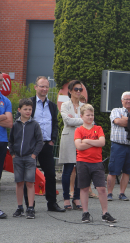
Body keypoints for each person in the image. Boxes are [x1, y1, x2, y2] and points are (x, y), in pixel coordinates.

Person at [19, 76, 65, 212]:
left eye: (46, 87)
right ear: (35, 87)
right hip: (31, 146)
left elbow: (55, 124)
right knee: (29, 175)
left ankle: (52, 204)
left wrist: (53, 140)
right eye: (41, 86)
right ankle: (29, 205)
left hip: (46, 144)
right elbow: (21, 121)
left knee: (50, 174)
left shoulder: (52, 105)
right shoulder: (30, 104)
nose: (44, 89)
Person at [74, 104, 116, 223]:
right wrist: (94, 142)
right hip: (83, 162)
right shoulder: (79, 130)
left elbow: (102, 142)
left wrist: (87, 140)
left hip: (96, 162)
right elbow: (79, 146)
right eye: (88, 115)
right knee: (84, 188)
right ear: (82, 116)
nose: (90, 117)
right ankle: (85, 213)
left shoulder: (98, 128)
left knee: (101, 188)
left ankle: (105, 213)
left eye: (92, 115)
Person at [8, 99, 43, 219]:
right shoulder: (16, 124)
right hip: (17, 157)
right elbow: (11, 140)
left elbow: (39, 141)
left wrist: (34, 155)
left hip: (30, 157)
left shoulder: (35, 125)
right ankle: (19, 207)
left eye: (30, 109)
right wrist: (13, 153)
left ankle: (31, 208)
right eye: (25, 109)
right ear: (19, 110)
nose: (28, 111)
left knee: (30, 182)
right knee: (19, 183)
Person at [107, 92, 130, 202]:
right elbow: (117, 121)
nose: (128, 101)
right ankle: (109, 193)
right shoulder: (115, 111)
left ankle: (122, 193)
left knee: (127, 171)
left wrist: (126, 120)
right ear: (122, 101)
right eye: (126, 99)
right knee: (113, 171)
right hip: (118, 145)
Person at [59, 80, 84, 210]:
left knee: (80, 169)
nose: (78, 91)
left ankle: (77, 197)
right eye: (76, 89)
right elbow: (67, 121)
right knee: (67, 170)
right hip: (68, 138)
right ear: (70, 91)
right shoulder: (64, 105)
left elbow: (90, 120)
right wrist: (81, 120)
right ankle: (66, 198)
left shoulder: (84, 106)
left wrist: (75, 121)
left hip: (82, 139)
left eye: (80, 89)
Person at [0, 70, 13, 219]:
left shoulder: (5, 101)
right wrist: (2, 116)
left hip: (1, 142)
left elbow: (9, 122)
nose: (0, 83)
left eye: (1, 80)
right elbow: (5, 118)